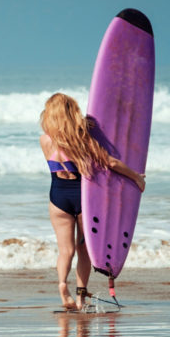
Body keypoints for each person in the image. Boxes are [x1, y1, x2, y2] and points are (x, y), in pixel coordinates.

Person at [39, 93, 146, 311]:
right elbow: (109, 162)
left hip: (57, 198)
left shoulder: (45, 140)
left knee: (65, 251)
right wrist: (135, 176)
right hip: (83, 200)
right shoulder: (82, 140)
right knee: (83, 251)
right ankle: (80, 298)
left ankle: (62, 285)